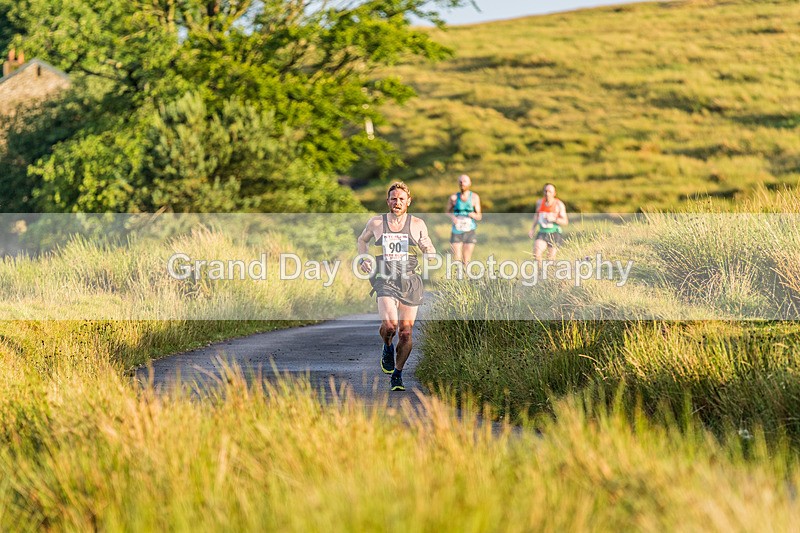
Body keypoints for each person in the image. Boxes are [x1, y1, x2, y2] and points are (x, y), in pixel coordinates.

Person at [357, 182, 436, 391]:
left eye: (402, 199)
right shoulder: (376, 223)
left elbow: (427, 244)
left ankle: (397, 375)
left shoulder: (417, 223)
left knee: (406, 332)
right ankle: (387, 346)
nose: (397, 202)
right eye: (394, 198)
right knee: (390, 326)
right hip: (385, 278)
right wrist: (363, 258)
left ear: (408, 201)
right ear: (388, 201)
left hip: (410, 280)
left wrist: (429, 252)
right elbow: (362, 240)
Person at [446, 174, 482, 264]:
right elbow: (447, 212)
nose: (462, 183)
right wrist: (453, 217)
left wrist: (473, 215)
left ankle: (465, 277)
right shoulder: (453, 197)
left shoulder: (474, 197)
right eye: (460, 181)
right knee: (456, 258)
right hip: (456, 230)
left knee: (466, 260)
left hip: (469, 230)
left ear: (470, 183)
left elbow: (479, 216)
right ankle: (458, 277)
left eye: (465, 181)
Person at [529, 183, 568, 261]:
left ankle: (549, 272)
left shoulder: (559, 205)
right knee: (536, 254)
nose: (547, 193)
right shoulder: (540, 203)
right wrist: (532, 228)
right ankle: (540, 272)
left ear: (554, 193)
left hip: (555, 233)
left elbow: (565, 221)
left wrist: (554, 219)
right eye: (545, 191)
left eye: (550, 191)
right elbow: (537, 215)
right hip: (542, 232)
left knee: (550, 259)